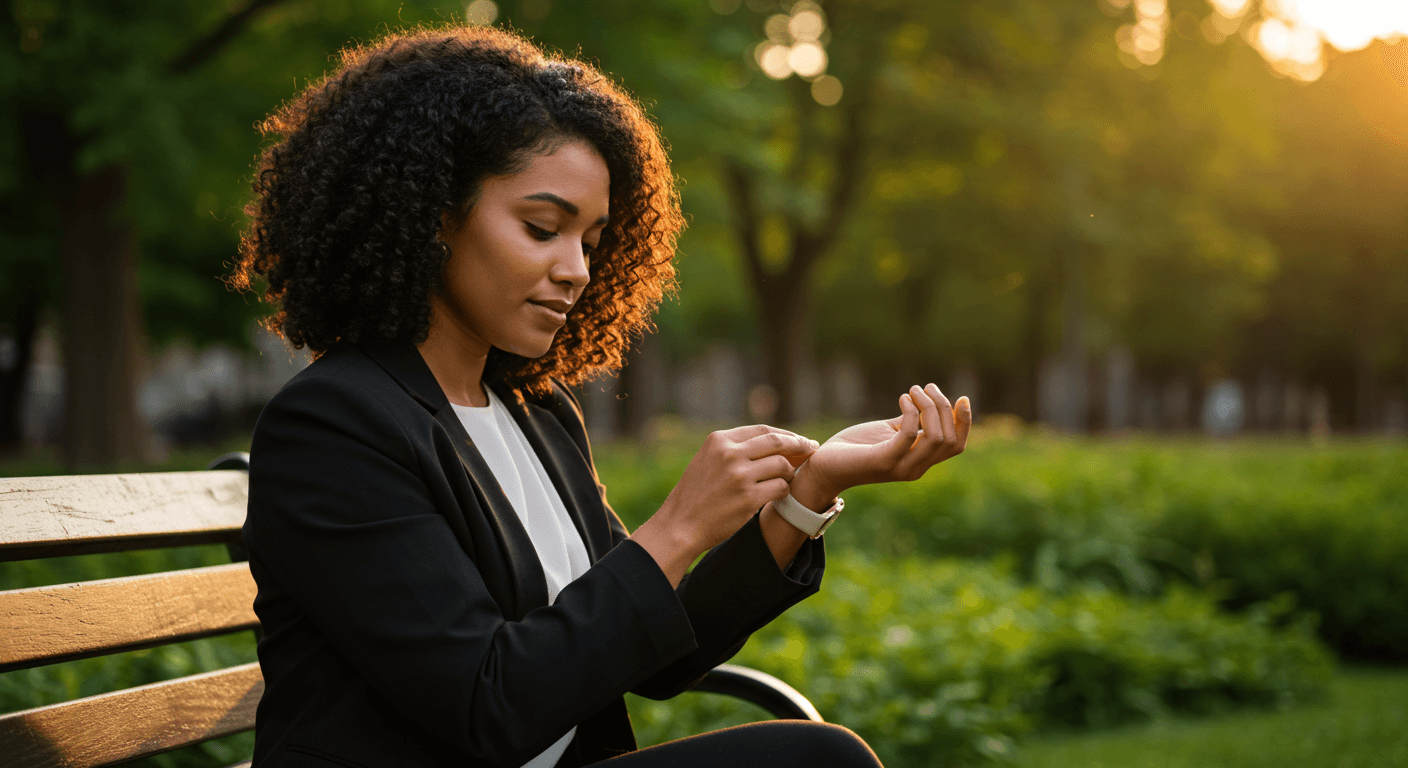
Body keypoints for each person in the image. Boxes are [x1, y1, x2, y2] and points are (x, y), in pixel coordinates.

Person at [232, 24, 970, 768]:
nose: (576, 270)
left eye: (590, 242)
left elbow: (653, 653)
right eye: (542, 228)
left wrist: (807, 492)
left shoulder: (536, 412)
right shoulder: (335, 425)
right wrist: (678, 526)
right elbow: (486, 705)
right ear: (434, 216)